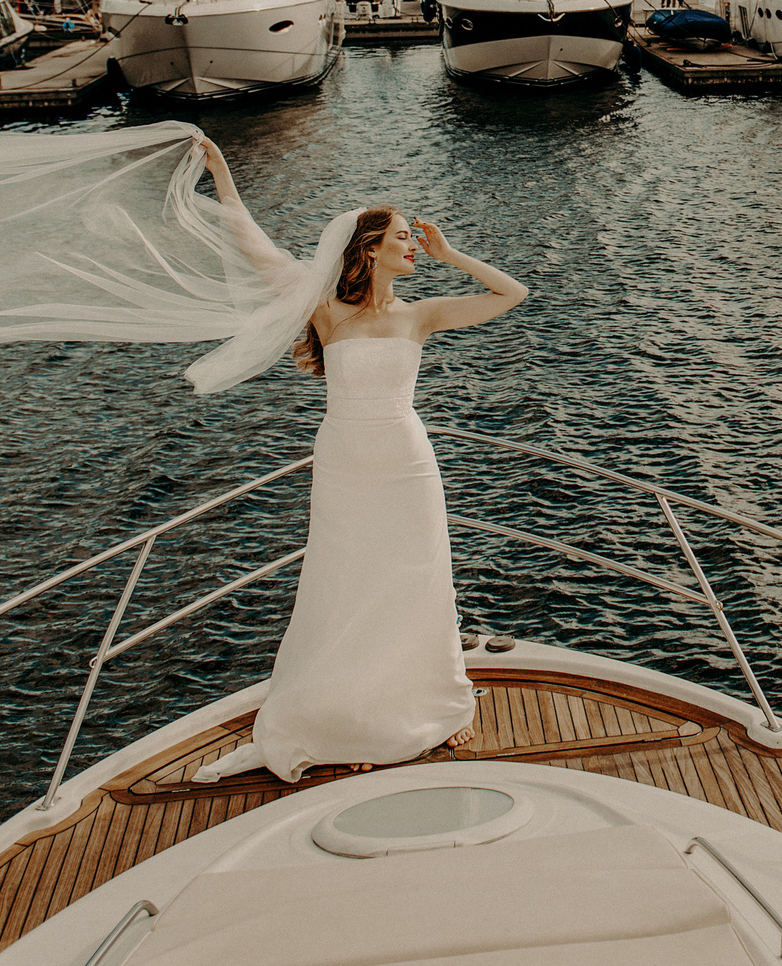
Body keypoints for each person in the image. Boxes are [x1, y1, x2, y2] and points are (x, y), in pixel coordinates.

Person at [188, 137, 529, 781]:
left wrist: (451, 253)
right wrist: (223, 174)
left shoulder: (421, 314)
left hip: (406, 460)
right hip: (346, 459)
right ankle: (340, 713)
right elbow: (253, 246)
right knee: (344, 580)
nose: (413, 244)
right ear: (369, 248)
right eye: (403, 235)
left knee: (415, 576)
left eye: (413, 236)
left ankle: (419, 704)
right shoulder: (326, 312)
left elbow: (513, 294)